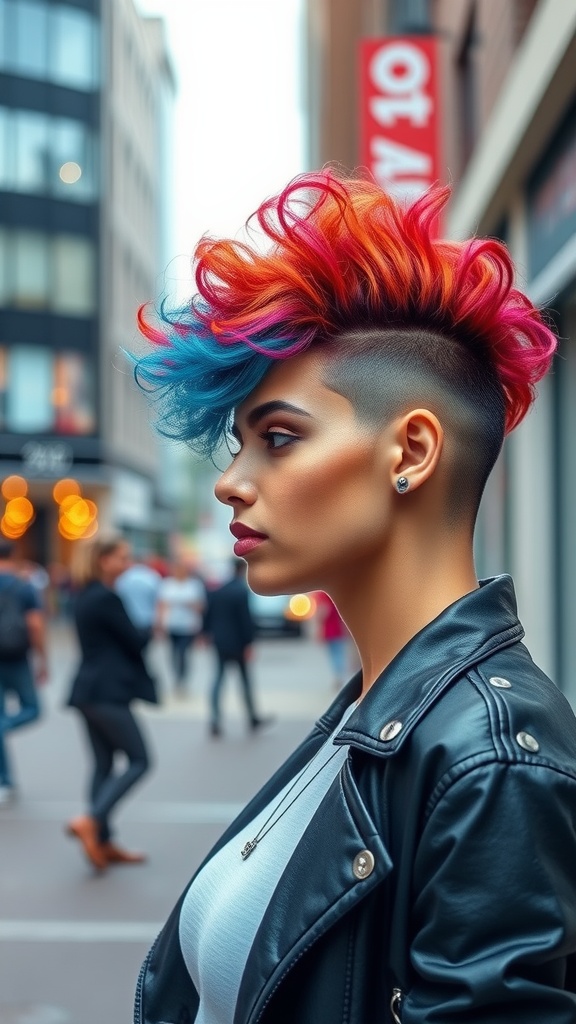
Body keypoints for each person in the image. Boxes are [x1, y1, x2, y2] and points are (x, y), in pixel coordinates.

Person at [133, 171, 576, 1023]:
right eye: (240, 445)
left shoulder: (490, 763)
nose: (231, 484)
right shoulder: (375, 718)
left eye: (280, 439)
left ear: (409, 451)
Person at [66, 535, 157, 871]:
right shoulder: (106, 598)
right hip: (108, 692)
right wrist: (152, 625)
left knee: (103, 766)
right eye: (122, 557)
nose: (127, 563)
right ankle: (92, 820)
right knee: (140, 760)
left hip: (88, 691)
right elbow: (134, 641)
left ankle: (101, 841)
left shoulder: (84, 595)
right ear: (103, 560)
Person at [0, 539, 47, 804]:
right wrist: (43, 659)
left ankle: (5, 780)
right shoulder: (24, 586)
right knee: (33, 709)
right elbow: (36, 626)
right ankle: (5, 780)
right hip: (18, 657)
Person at [204, 559, 268, 737]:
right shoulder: (241, 591)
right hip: (238, 643)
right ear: (242, 570)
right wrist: (249, 643)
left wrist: (205, 632)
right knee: (245, 682)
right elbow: (245, 620)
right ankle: (252, 717)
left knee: (218, 680)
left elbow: (208, 614)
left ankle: (215, 720)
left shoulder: (219, 590)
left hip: (220, 642)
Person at [156, 559, 205, 693]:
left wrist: (190, 605)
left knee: (183, 653)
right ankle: (176, 677)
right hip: (171, 624)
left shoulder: (193, 585)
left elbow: (201, 605)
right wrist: (159, 624)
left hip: (188, 625)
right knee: (173, 654)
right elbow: (161, 605)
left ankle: (182, 679)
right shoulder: (167, 584)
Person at [116, 555, 162, 646]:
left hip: (128, 618)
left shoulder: (124, 577)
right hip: (147, 619)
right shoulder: (152, 577)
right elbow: (158, 601)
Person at [314, 590, 351, 690]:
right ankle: (341, 676)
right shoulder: (334, 591)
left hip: (330, 629)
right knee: (339, 653)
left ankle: (339, 677)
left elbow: (324, 610)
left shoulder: (322, 594)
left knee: (335, 654)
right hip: (338, 628)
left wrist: (319, 626)